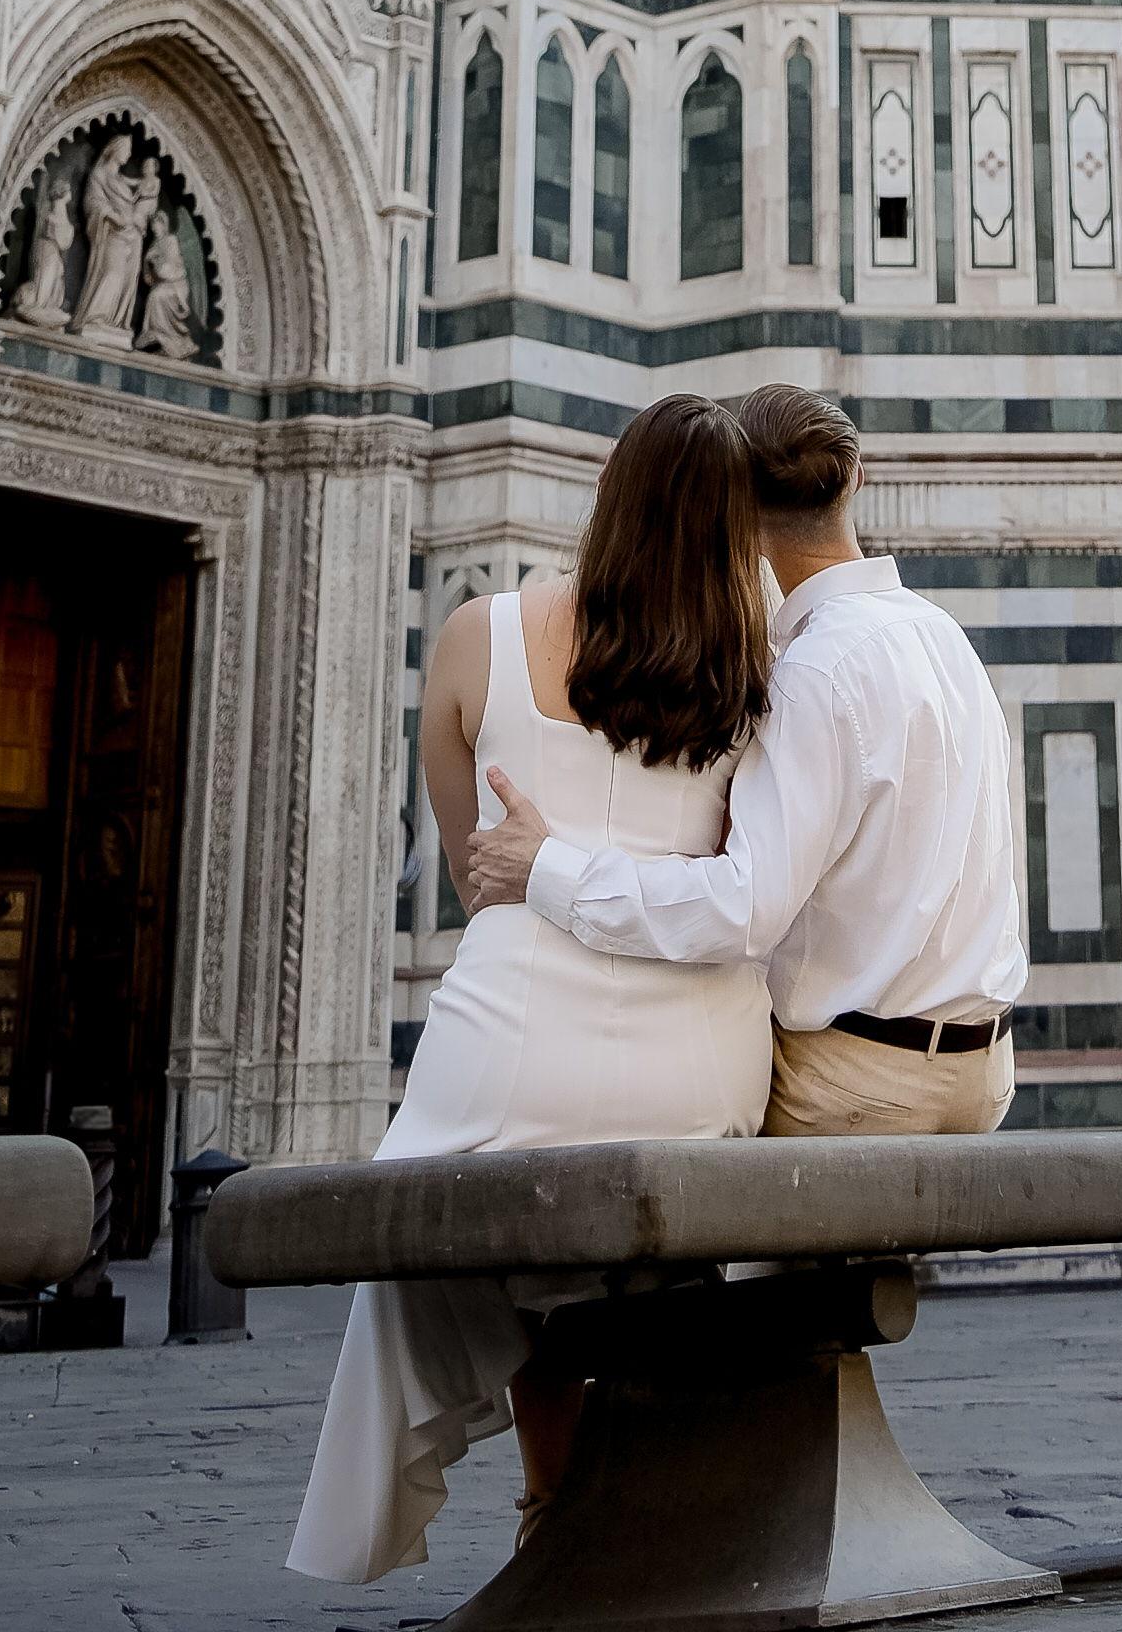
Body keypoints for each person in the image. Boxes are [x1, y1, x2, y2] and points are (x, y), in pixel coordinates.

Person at [284, 398, 779, 1585]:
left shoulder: (478, 636)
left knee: (495, 1243)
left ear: (610, 496)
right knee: (650, 1257)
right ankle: (629, 1506)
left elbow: (480, 878)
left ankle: (551, 1502)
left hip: (507, 1049)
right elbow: (753, 878)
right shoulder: (760, 672)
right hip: (699, 1059)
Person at [459, 384, 1026, 1139]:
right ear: (857, 478)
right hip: (984, 1073)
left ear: (741, 515)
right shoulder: (945, 637)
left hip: (860, 1083)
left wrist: (546, 869)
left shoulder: (813, 670)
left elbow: (745, 911)